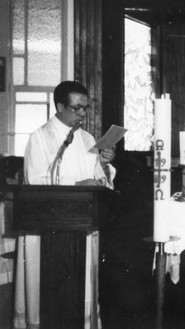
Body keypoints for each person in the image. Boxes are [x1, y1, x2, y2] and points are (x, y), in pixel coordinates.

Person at [15, 81, 116, 329]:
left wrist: (104, 163)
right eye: (77, 108)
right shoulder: (40, 138)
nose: (83, 114)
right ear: (60, 106)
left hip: (82, 226)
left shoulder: (88, 138)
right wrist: (78, 183)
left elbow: (100, 180)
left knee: (81, 296)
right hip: (46, 232)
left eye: (86, 108)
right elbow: (35, 182)